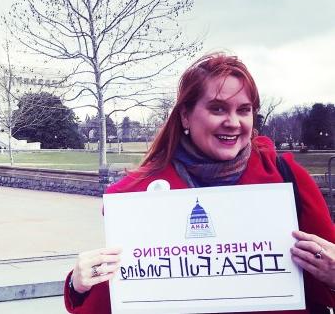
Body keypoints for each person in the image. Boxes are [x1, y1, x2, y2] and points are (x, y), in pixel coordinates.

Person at [64, 53, 335, 313]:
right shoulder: (138, 196)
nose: (233, 122)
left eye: (244, 110)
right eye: (217, 108)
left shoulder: (287, 178)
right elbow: (118, 301)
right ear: (185, 115)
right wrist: (79, 285)